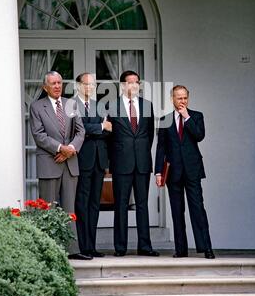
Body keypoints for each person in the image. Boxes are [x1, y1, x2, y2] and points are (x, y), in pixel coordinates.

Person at [155, 85, 215, 259]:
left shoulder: (196, 116)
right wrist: (158, 172)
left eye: (185, 98)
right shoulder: (165, 119)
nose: (182, 101)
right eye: (179, 98)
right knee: (176, 210)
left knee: (197, 209)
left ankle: (206, 248)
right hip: (173, 172)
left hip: (192, 170)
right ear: (172, 98)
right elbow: (161, 148)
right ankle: (181, 249)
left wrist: (186, 117)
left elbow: (199, 136)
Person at [29, 71, 85, 257]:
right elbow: (39, 135)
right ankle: (50, 252)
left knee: (70, 209)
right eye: (53, 83)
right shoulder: (37, 107)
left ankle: (72, 250)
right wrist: (61, 148)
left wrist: (70, 149)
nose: (57, 86)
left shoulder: (71, 104)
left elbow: (80, 132)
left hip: (70, 164)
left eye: (59, 83)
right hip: (49, 163)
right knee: (48, 209)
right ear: (45, 87)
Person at [109, 70, 159, 257]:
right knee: (121, 205)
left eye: (137, 82)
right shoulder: (111, 106)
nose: (134, 85)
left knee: (142, 205)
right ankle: (120, 247)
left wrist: (142, 153)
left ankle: (145, 246)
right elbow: (108, 137)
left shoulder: (148, 106)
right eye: (130, 82)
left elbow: (149, 135)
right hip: (121, 163)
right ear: (123, 85)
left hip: (142, 163)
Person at [74, 72, 112, 260]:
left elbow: (109, 130)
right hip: (82, 160)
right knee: (82, 203)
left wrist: (97, 129)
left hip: (99, 160)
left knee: (94, 204)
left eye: (93, 85)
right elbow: (78, 129)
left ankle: (92, 246)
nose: (90, 88)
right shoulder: (71, 105)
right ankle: (82, 246)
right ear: (78, 86)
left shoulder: (99, 105)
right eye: (86, 84)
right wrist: (99, 127)